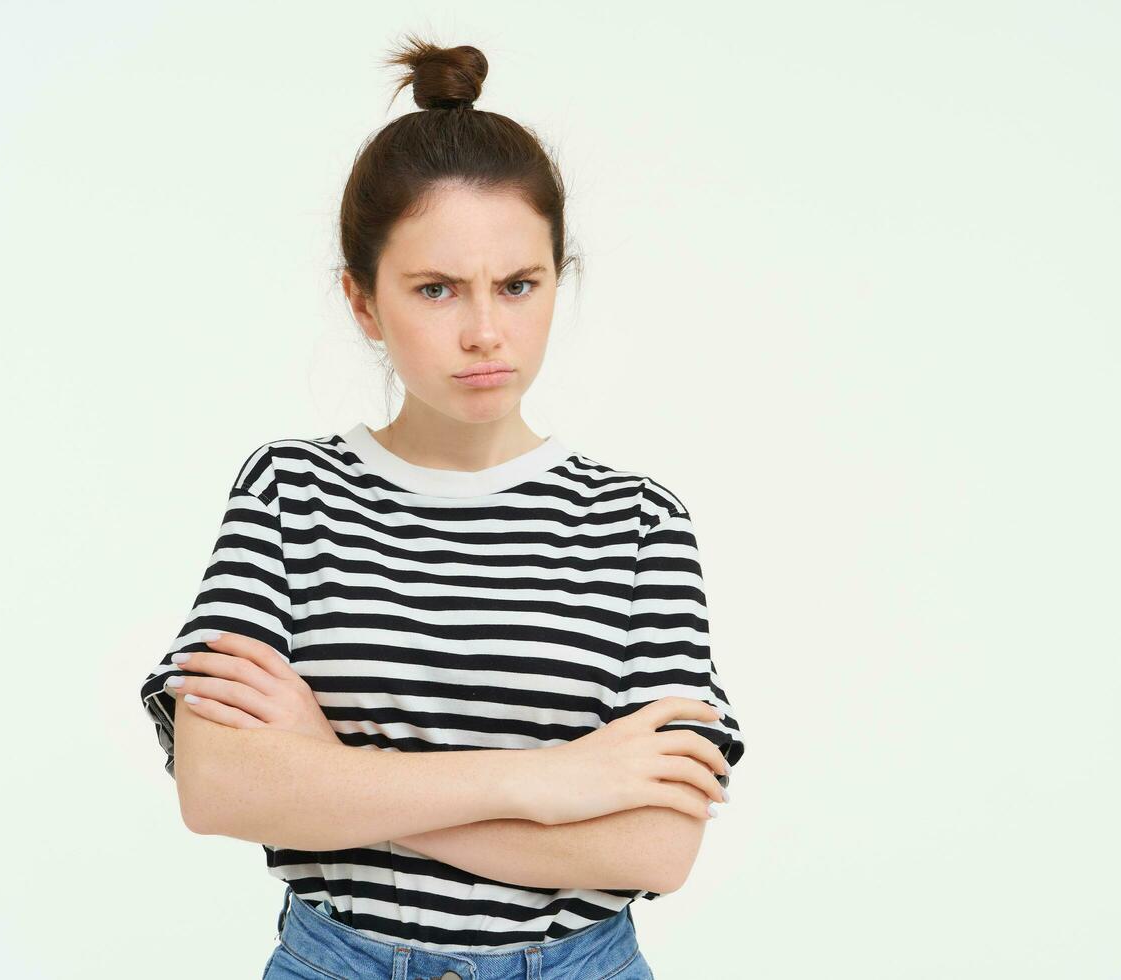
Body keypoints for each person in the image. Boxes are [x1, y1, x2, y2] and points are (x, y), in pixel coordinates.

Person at [135, 34, 746, 980]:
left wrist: (329, 774)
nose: (485, 331)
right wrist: (549, 785)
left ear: (557, 281)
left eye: (517, 285)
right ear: (363, 303)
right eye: (435, 290)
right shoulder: (293, 492)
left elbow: (655, 849)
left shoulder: (637, 524)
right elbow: (217, 786)